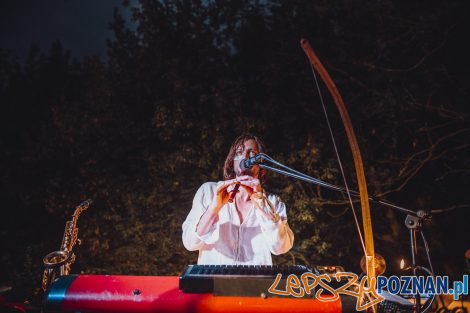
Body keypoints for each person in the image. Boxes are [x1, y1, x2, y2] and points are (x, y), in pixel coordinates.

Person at [182, 133, 294, 265]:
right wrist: (214, 209)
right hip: (214, 283)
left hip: (255, 284)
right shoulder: (209, 191)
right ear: (232, 161)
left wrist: (261, 203)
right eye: (239, 152)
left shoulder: (273, 201)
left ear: (261, 163)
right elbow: (189, 243)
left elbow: (281, 248)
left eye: (251, 153)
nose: (245, 157)